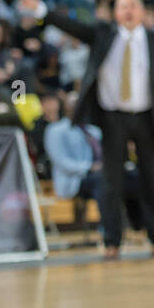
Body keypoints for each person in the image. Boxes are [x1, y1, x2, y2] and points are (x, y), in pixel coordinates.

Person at [11, 0, 154, 259]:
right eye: (122, 6)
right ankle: (113, 240)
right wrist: (41, 9)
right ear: (114, 12)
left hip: (145, 117)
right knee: (110, 181)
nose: (127, 11)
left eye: (133, 6)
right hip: (112, 117)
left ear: (142, 12)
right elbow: (71, 26)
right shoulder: (102, 34)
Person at [43, 94, 107, 235]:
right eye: (73, 104)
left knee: (130, 177)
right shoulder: (55, 130)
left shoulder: (94, 130)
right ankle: (107, 227)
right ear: (66, 107)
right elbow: (62, 163)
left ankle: (139, 225)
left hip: (100, 174)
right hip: (74, 179)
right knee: (102, 181)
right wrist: (89, 167)